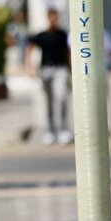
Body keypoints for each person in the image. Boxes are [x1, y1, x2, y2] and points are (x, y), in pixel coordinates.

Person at [26, 8, 72, 145]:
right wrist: (30, 66)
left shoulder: (62, 34)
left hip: (60, 69)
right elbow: (30, 48)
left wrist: (71, 69)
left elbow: (68, 52)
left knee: (61, 97)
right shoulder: (42, 35)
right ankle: (50, 130)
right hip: (45, 69)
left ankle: (63, 129)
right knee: (49, 101)